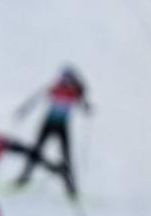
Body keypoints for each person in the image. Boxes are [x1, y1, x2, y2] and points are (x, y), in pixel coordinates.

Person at [14, 66, 92, 196]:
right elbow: (35, 99)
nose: (64, 82)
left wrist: (86, 106)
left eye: (67, 79)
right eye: (63, 79)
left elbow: (83, 99)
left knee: (65, 156)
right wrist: (23, 110)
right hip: (48, 124)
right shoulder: (55, 88)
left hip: (61, 127)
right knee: (36, 151)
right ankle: (24, 178)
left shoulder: (73, 91)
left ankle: (71, 188)